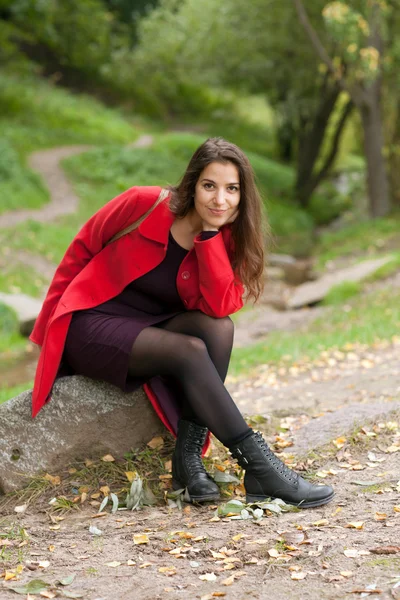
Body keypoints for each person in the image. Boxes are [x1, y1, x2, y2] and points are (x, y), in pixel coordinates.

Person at [30, 137, 334, 508]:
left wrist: (209, 239)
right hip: (92, 322)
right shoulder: (143, 202)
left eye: (231, 189)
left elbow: (220, 307)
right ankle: (260, 467)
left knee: (218, 329)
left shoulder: (225, 237)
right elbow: (80, 249)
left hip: (147, 329)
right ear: (192, 185)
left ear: (242, 196)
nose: (219, 199)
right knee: (188, 350)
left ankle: (187, 462)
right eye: (210, 186)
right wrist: (46, 330)